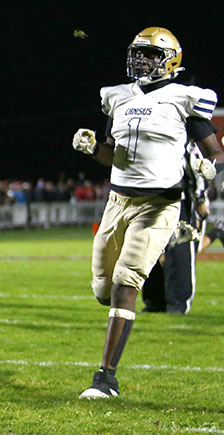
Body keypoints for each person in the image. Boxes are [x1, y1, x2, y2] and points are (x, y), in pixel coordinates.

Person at [72, 27, 223, 399]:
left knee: (126, 284)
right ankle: (173, 237)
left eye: (150, 55)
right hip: (117, 203)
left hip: (159, 202)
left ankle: (105, 378)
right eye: (138, 53)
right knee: (103, 290)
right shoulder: (118, 98)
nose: (141, 60)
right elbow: (111, 154)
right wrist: (93, 149)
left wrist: (210, 168)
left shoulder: (185, 99)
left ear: (170, 59)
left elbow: (215, 152)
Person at [141, 145, 212, 315]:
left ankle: (178, 303)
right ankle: (154, 301)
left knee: (180, 252)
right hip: (151, 199)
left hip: (179, 202)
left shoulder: (184, 140)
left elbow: (198, 166)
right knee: (148, 251)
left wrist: (200, 197)